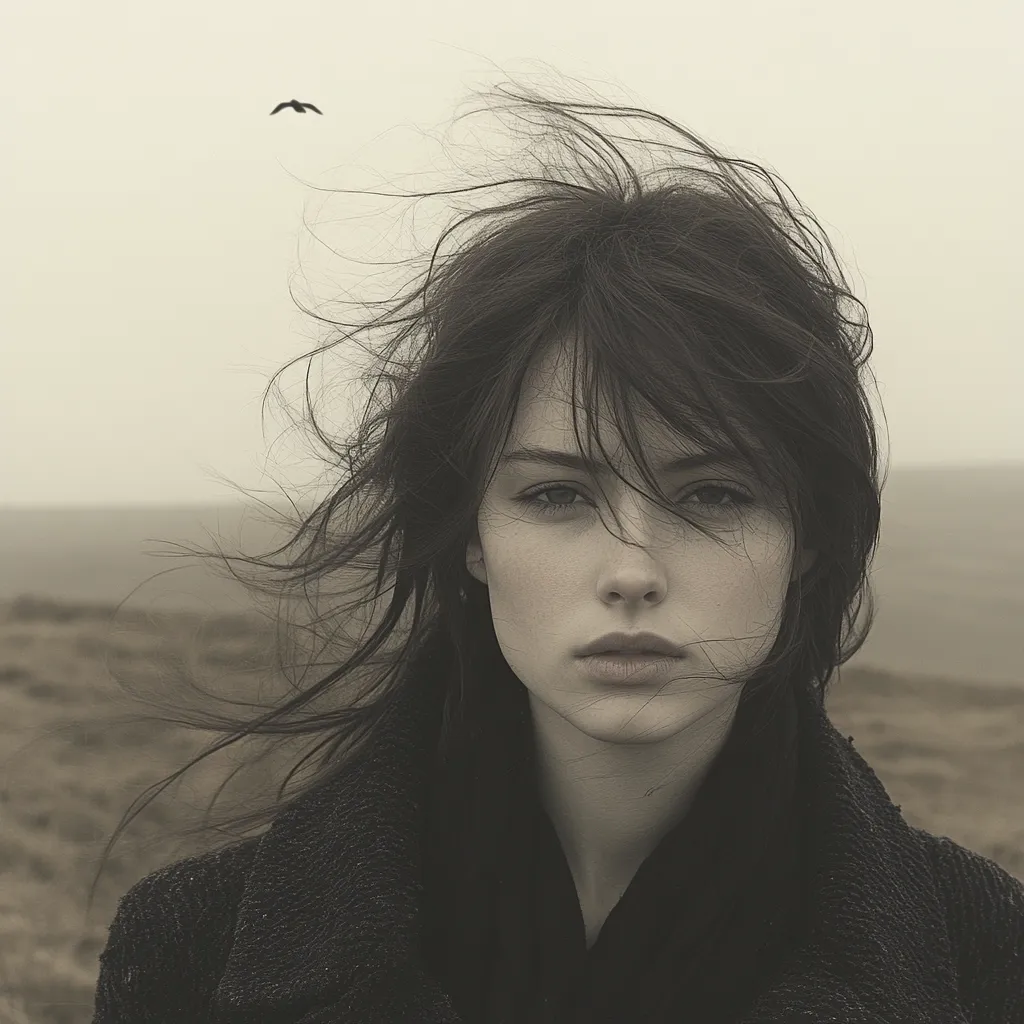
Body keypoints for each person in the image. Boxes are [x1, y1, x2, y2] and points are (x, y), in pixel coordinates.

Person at [90, 74, 1024, 1023]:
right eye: (556, 495)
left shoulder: (987, 952)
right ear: (472, 536)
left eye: (713, 494)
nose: (631, 572)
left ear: (810, 540)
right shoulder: (195, 947)